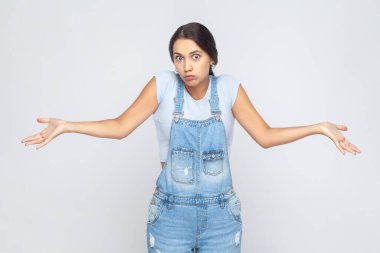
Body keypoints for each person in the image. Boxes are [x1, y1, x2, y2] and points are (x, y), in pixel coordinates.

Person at [21, 22, 361, 253]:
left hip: (221, 217)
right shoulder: (164, 85)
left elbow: (265, 135)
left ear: (211, 57)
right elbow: (120, 126)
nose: (187, 66)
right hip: (170, 216)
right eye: (179, 57)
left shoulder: (228, 88)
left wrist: (317, 128)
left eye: (195, 56)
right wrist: (68, 125)